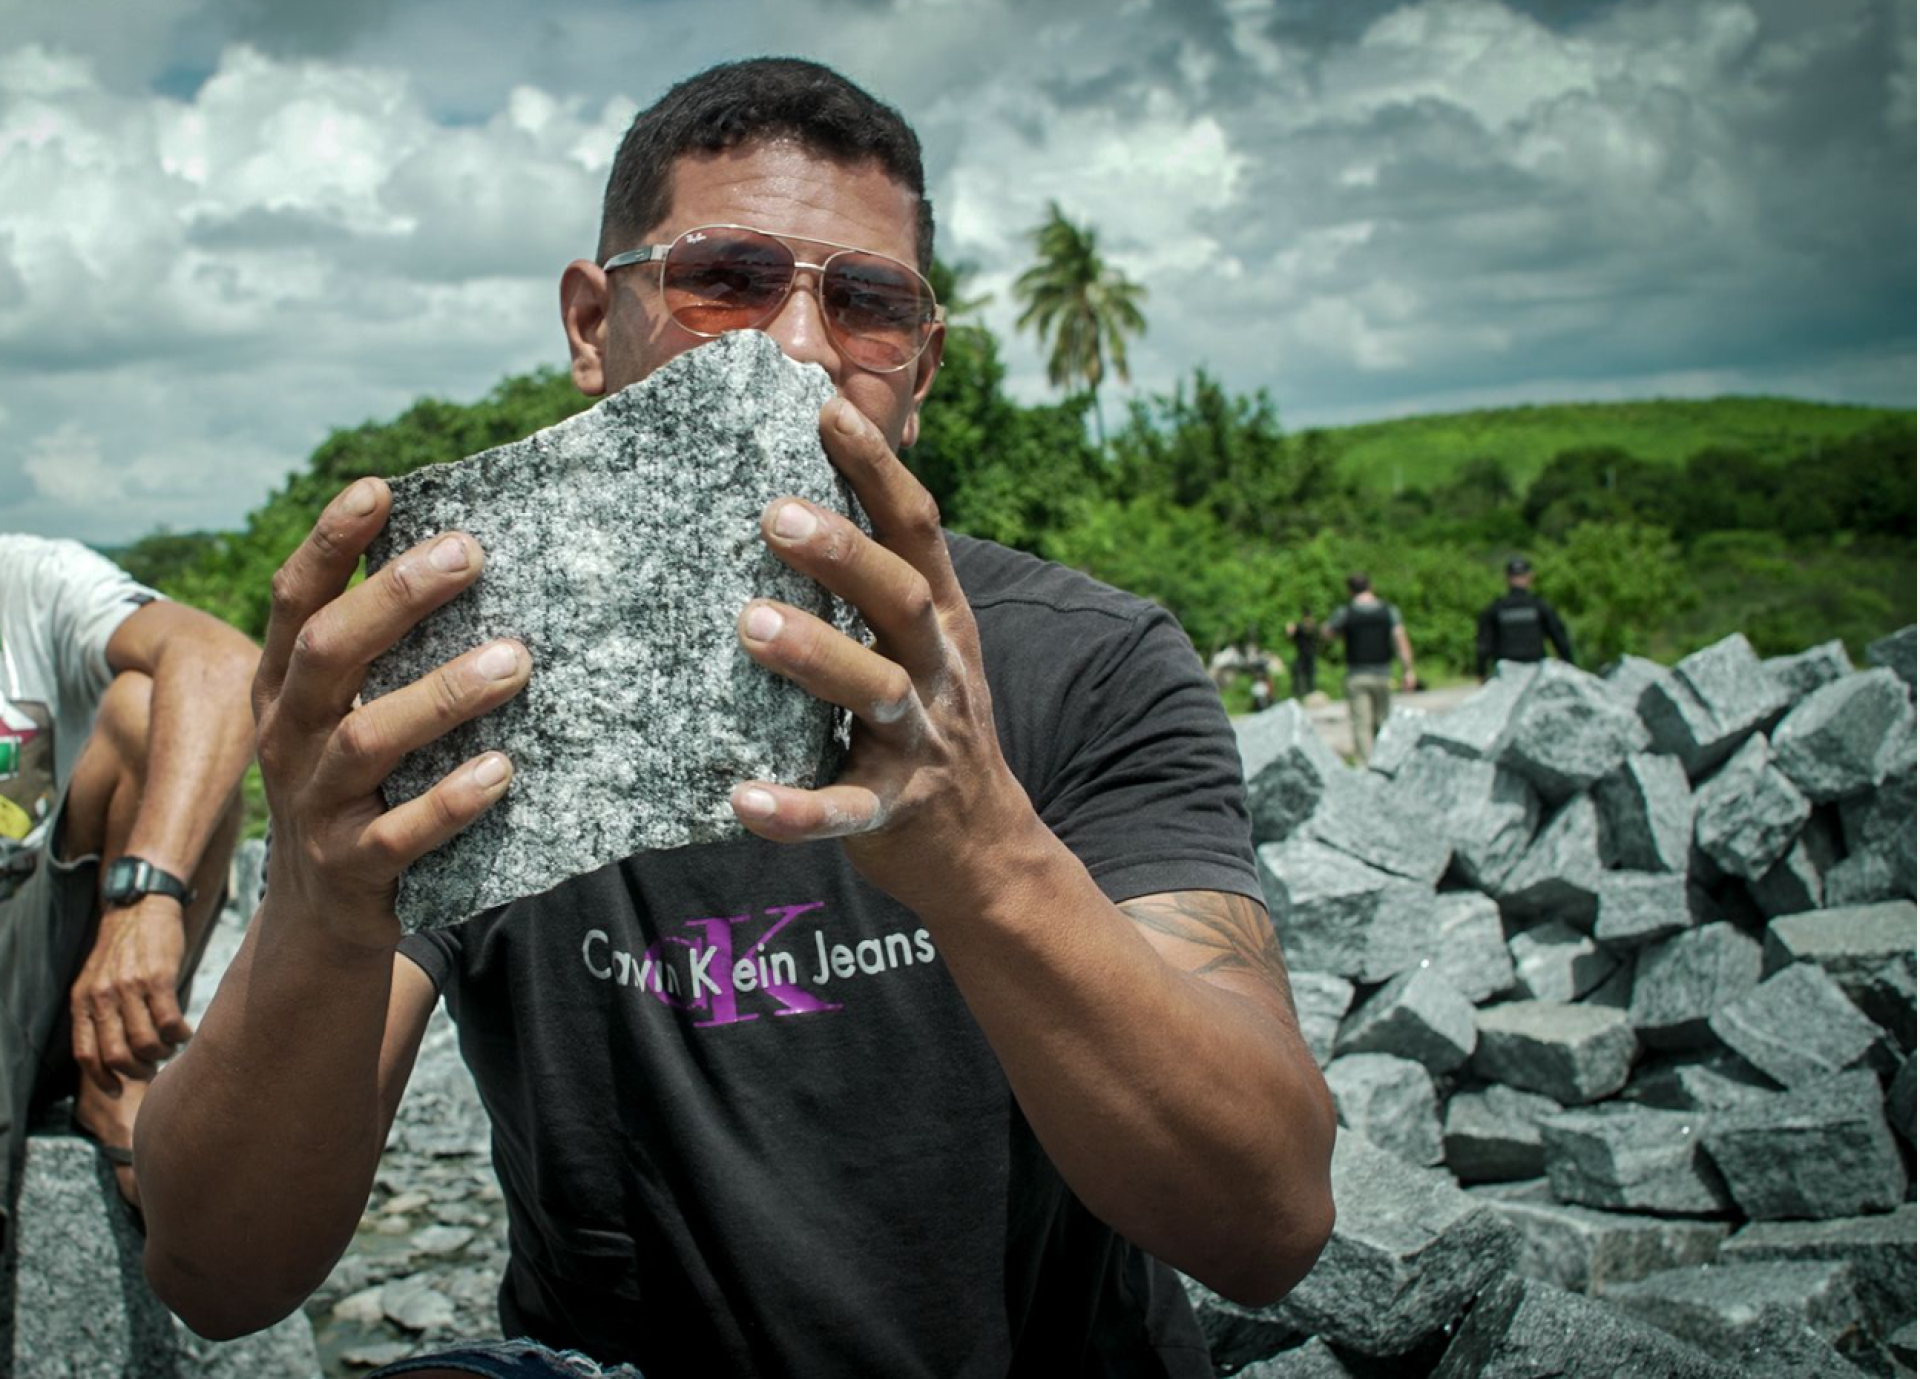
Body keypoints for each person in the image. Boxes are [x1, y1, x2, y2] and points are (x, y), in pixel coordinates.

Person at [137, 58, 1336, 1379]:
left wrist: (986, 856)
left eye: (869, 303)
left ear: (921, 368)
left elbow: (1268, 1220)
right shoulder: (465, 696)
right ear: (593, 322)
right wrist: (319, 911)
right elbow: (216, 1269)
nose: (801, 346)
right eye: (727, 280)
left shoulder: (1083, 666)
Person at [0, 534, 256, 1229]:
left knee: (150, 708)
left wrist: (143, 898)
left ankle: (115, 1075)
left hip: (33, 963)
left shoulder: (35, 580)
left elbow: (223, 666)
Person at [1322, 573, 1415, 762]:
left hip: (1357, 675)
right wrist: (1408, 670)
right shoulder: (1388, 610)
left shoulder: (1345, 612)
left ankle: (1366, 766)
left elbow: (1328, 633)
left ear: (1349, 591)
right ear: (1371, 586)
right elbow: (1400, 640)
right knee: (1384, 722)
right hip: (1383, 674)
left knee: (1361, 725)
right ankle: (1388, 761)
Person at [1475, 556, 1575, 679]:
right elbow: (1560, 638)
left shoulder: (1495, 609)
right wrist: (1569, 666)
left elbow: (1483, 646)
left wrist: (1481, 673)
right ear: (1530, 576)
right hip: (1536, 674)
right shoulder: (1540, 606)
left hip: (1505, 675)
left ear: (1506, 578)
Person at [1284, 607, 1319, 699]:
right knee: (1297, 672)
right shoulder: (1300, 627)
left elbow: (1309, 630)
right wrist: (1290, 630)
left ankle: (1310, 693)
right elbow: (1291, 636)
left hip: (1309, 654)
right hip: (1302, 655)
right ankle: (1298, 693)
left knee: (1310, 674)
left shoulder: (1309, 627)